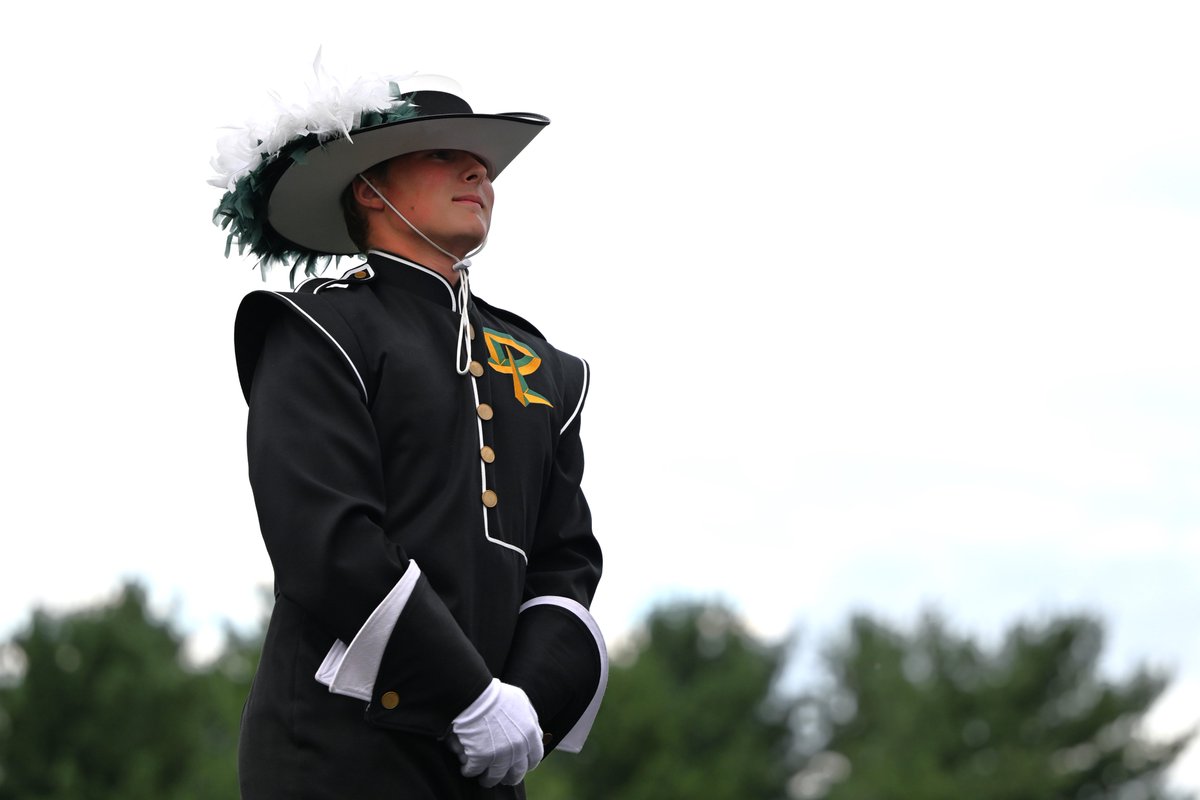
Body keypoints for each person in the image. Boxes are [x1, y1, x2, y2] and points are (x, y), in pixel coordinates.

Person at [210, 70, 607, 800]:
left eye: (483, 164)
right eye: (444, 154)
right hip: (336, 753)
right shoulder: (317, 330)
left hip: (486, 762)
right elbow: (326, 542)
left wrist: (523, 707)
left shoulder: (543, 367)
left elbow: (566, 565)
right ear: (370, 189)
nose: (479, 173)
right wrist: (470, 696)